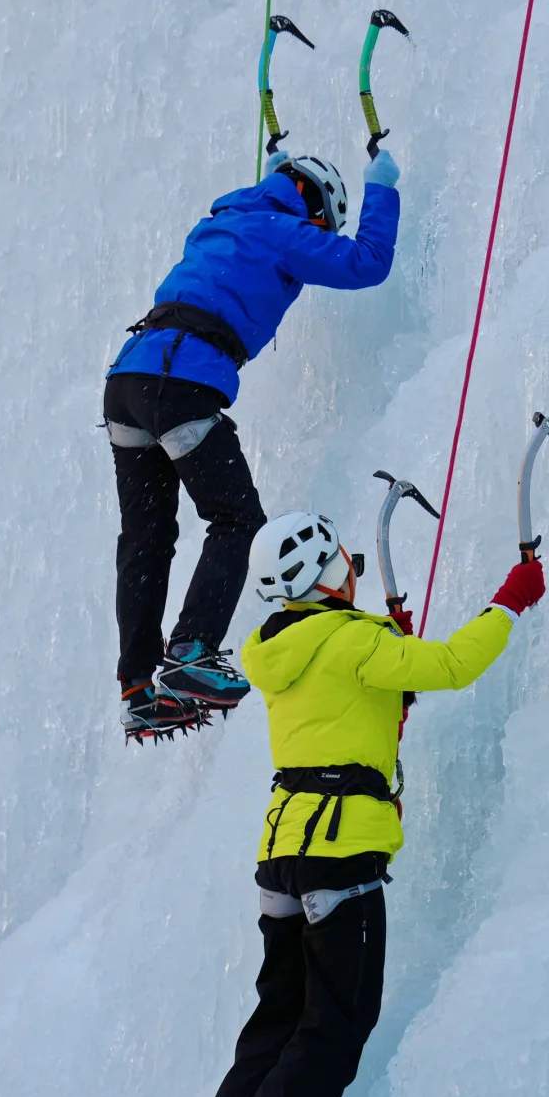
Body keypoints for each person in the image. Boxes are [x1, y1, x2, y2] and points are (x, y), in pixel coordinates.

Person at [155, 509, 546, 1097]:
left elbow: (350, 699)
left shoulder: (277, 649)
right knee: (334, 1029)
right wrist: (509, 600)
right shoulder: (355, 641)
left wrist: (389, 658)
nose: (352, 567)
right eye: (343, 559)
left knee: (275, 1026)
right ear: (328, 572)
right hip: (340, 856)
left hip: (282, 853)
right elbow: (452, 665)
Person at [103, 149, 401, 743]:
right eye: (322, 223)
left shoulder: (219, 222)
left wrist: (275, 182)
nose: (319, 234)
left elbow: (243, 251)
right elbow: (366, 263)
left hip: (127, 382)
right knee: (238, 520)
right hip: (180, 382)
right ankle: (191, 651)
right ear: (313, 206)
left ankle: (138, 689)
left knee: (146, 538)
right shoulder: (282, 230)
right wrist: (382, 189)